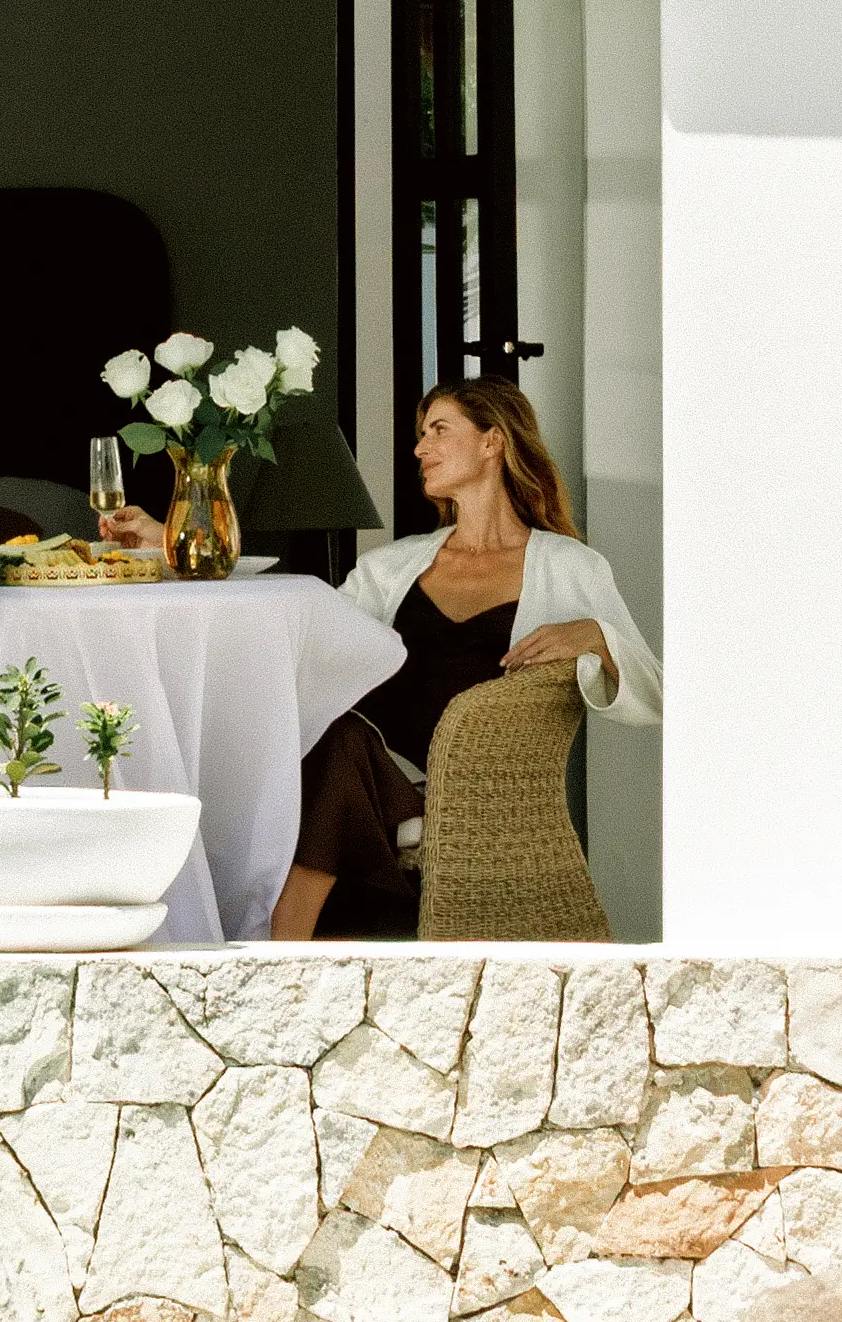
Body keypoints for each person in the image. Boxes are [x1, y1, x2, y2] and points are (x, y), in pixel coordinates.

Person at [270, 380, 660, 940]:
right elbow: (307, 629)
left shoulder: (568, 567)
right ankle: (300, 929)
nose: (419, 448)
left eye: (439, 430)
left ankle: (279, 949)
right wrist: (184, 544)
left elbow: (656, 691)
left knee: (340, 752)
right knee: (340, 743)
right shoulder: (391, 567)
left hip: (475, 795)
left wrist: (596, 635)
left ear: (492, 442)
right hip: (381, 778)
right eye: (420, 434)